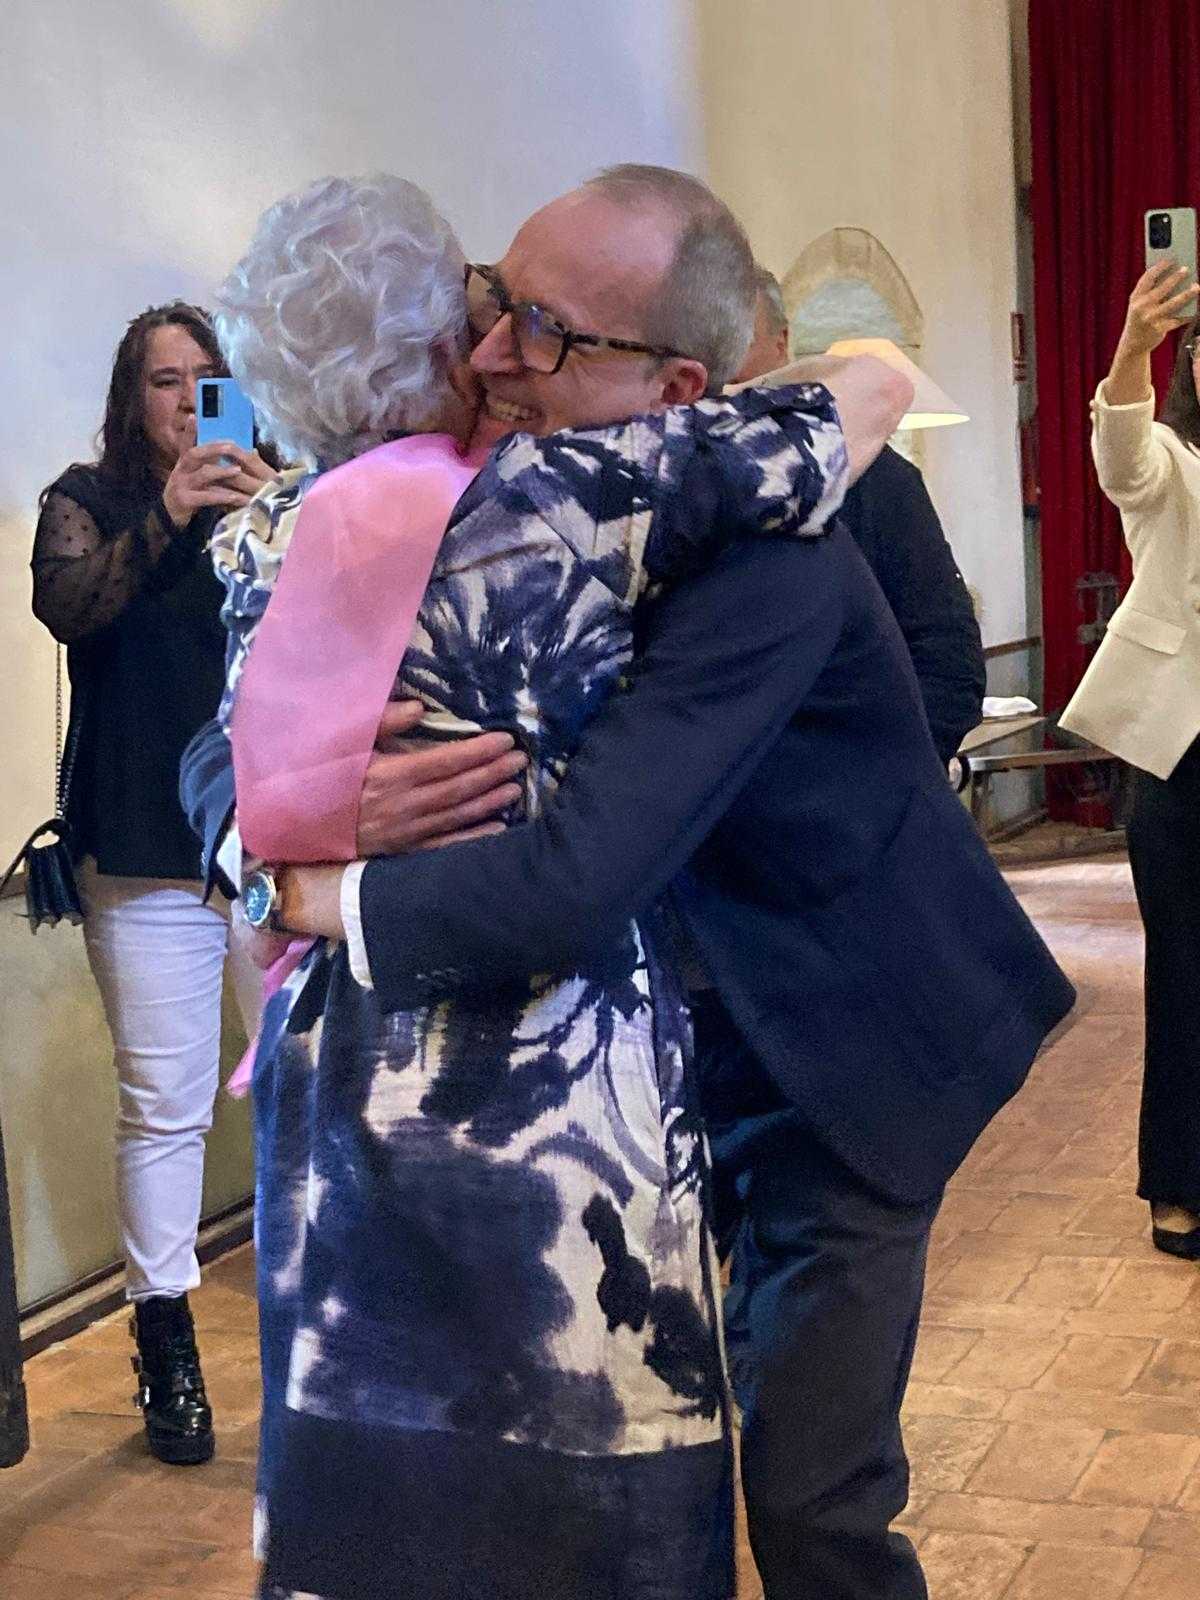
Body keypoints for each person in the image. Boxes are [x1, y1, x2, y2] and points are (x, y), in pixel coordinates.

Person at [262, 168, 1076, 1600]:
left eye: (547, 331)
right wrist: (271, 817)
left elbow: (577, 873)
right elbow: (242, 699)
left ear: (677, 386)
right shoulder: (497, 494)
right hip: (667, 1056)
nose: (492, 353)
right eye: (495, 301)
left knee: (812, 1498)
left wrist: (317, 897)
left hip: (838, 1046)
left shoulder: (771, 555)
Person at [29, 303, 274, 1464]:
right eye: (165, 380)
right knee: (167, 1106)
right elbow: (69, 607)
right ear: (132, 398)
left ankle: (327, 1315)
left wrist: (280, 513)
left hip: (271, 843)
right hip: (141, 847)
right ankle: (165, 1343)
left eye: (206, 378)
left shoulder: (266, 498)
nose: (187, 400)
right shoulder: (89, 501)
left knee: (304, 1083)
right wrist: (172, 512)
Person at [1061, 260, 1200, 1260]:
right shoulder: (1170, 466)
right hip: (1184, 754)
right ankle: (1181, 1182)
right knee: (1185, 970)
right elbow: (1120, 456)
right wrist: (1130, 350)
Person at [734, 267, 985, 764]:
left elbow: (947, 660)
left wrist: (880, 781)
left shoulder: (876, 479)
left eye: (733, 334)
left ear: (781, 344)